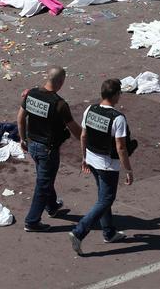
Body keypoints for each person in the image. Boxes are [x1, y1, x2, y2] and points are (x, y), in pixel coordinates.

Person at [69, 78, 136, 255]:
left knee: (102, 197)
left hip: (92, 158)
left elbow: (83, 136)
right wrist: (128, 170)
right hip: (107, 165)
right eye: (120, 93)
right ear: (115, 95)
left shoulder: (90, 109)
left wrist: (84, 157)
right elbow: (121, 147)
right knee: (106, 199)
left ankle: (109, 232)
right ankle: (79, 232)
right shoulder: (118, 118)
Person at [18, 66, 81, 232]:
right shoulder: (59, 104)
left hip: (32, 144)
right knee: (43, 184)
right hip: (48, 149)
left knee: (44, 177)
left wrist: (22, 138)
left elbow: (20, 118)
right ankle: (32, 221)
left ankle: (52, 206)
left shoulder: (31, 94)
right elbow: (75, 129)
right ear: (61, 82)